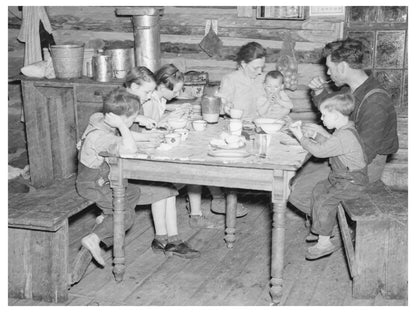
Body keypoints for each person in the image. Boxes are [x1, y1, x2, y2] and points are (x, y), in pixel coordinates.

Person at [71, 79, 199, 285]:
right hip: (93, 184)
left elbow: (125, 136)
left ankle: (107, 222)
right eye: (130, 119)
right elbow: (127, 148)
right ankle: (95, 237)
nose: (131, 123)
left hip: (103, 178)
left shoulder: (100, 119)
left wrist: (141, 133)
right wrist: (123, 125)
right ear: (118, 119)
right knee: (125, 215)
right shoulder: (101, 136)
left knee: (133, 192)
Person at [288, 37, 399, 221]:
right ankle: (323, 222)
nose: (328, 73)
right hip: (346, 156)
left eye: (330, 68)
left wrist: (322, 137)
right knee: (295, 182)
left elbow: (362, 155)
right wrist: (318, 93)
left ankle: (325, 227)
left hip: (362, 167)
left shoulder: (375, 101)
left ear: (342, 67)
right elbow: (335, 111)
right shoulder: (353, 89)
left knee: (299, 192)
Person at [289, 93, 369, 260]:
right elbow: (330, 144)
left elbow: (320, 151)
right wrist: (315, 136)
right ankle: (322, 230)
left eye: (324, 115)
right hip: (342, 178)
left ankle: (324, 243)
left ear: (337, 116)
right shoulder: (344, 130)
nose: (322, 118)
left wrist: (300, 136)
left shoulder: (344, 136)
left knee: (325, 200)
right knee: (318, 189)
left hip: (353, 182)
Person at [142, 63, 222, 229]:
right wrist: (170, 119)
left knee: (195, 155)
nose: (178, 94)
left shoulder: (160, 98)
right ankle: (198, 211)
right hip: (148, 152)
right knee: (193, 162)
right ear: (162, 86)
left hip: (157, 145)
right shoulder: (149, 101)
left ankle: (197, 211)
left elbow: (161, 111)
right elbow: (149, 128)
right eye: (176, 91)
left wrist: (175, 110)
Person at [219, 41, 267, 119]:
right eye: (256, 68)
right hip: (238, 125)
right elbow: (220, 107)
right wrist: (225, 106)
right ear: (243, 64)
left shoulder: (264, 79)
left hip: (263, 125)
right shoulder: (230, 80)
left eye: (262, 67)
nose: (260, 72)